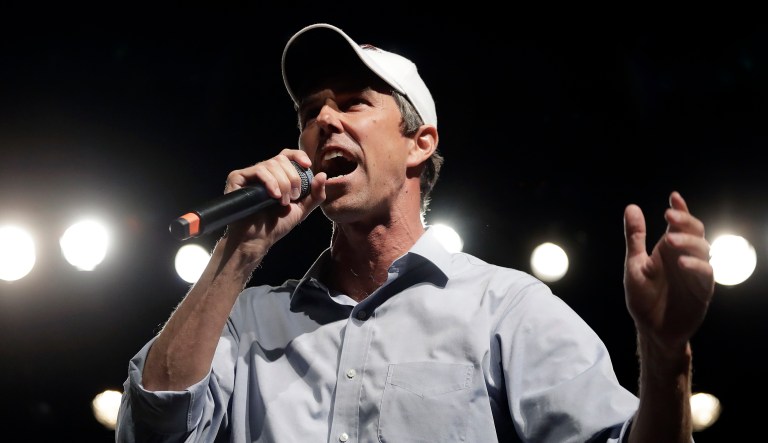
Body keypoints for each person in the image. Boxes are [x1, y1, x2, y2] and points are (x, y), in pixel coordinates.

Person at [115, 23, 715, 443]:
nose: (323, 120)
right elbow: (153, 427)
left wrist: (666, 356)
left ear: (419, 143)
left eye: (352, 103)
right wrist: (237, 253)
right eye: (309, 112)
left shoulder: (506, 311)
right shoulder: (246, 323)